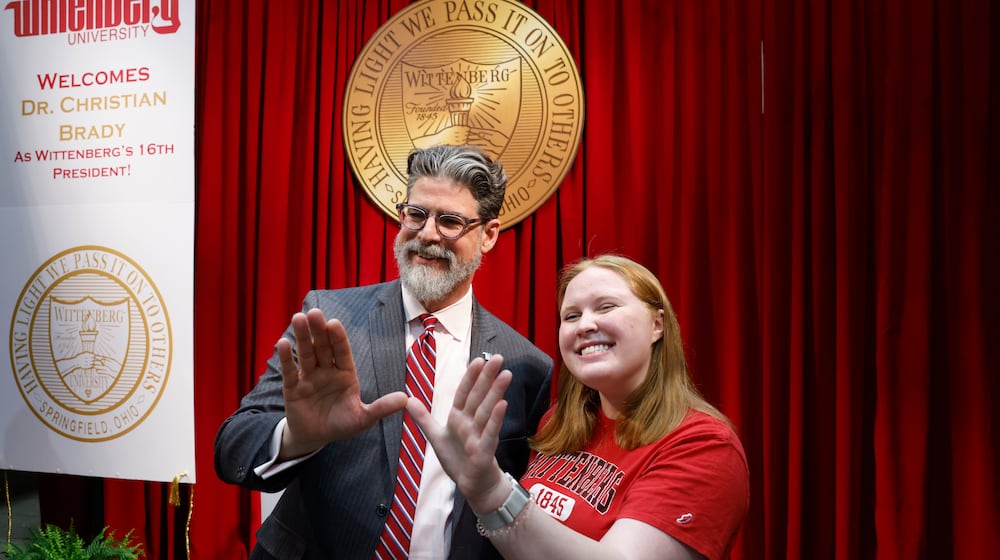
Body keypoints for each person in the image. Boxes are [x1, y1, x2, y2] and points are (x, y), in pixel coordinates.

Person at [214, 144, 553, 559]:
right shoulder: (330, 317)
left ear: (488, 235)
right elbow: (233, 446)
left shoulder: (527, 367)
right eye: (416, 214)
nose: (428, 234)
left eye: (449, 221)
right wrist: (296, 437)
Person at [409, 255, 750, 560]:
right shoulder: (557, 425)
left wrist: (491, 491)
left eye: (606, 307)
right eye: (571, 315)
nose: (585, 325)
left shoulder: (704, 446)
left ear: (657, 325)